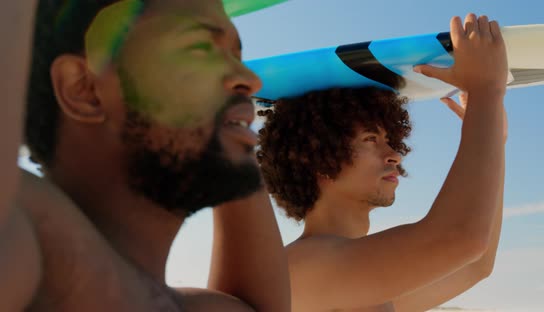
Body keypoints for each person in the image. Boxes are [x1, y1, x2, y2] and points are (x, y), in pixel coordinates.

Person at [2, 0, 290, 311]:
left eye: (236, 55)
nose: (251, 80)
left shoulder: (163, 300)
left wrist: (228, 124)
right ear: (84, 88)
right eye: (201, 47)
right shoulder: (30, 236)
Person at [257, 14, 508, 312]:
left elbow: (474, 267)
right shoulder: (301, 269)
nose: (395, 155)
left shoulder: (358, 278)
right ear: (318, 158)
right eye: (371, 140)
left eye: (390, 141)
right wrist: (485, 92)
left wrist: (494, 137)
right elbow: (460, 239)